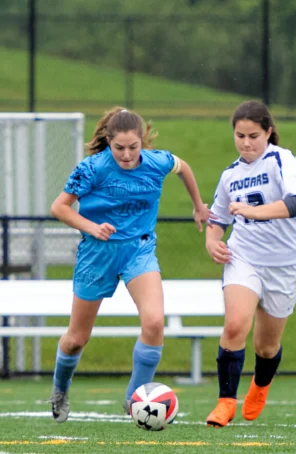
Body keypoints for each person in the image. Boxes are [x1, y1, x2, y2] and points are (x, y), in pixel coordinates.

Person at [48, 106, 212, 423]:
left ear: (142, 142)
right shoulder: (92, 168)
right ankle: (59, 390)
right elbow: (60, 207)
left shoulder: (157, 161)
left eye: (133, 147)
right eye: (118, 148)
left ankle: (134, 400)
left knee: (154, 323)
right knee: (76, 338)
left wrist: (198, 205)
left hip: (139, 250)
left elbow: (184, 168)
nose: (125, 155)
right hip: (98, 253)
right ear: (108, 142)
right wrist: (91, 227)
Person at [205, 100, 296, 427]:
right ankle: (225, 402)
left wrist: (254, 212)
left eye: (253, 135)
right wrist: (212, 240)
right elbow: (217, 217)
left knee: (266, 347)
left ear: (268, 132)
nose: (246, 143)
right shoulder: (230, 175)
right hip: (244, 257)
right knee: (235, 325)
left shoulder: (282, 159)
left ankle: (260, 386)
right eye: (240, 136)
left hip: (286, 264)